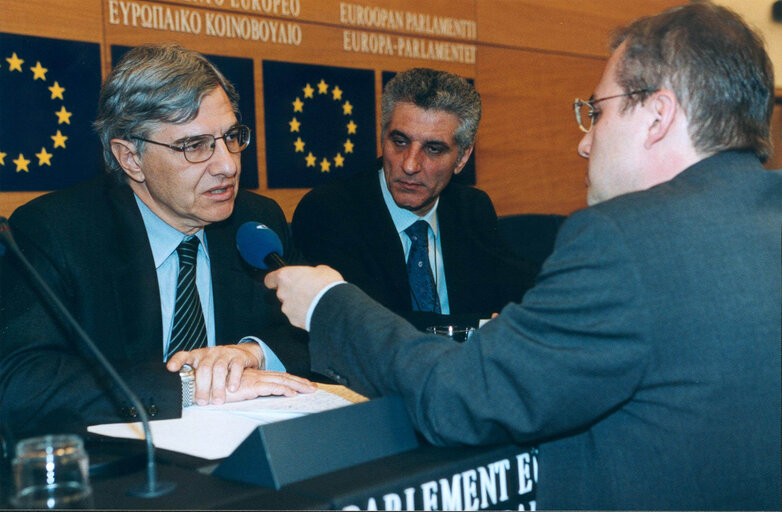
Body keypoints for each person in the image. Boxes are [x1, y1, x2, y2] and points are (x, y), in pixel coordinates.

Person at [265, 3, 781, 509]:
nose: (584, 143)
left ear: (657, 116)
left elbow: (462, 400)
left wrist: (329, 303)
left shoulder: (621, 242)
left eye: (596, 112)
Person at [0, 43, 315, 439]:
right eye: (195, 146)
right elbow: (21, 382)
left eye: (231, 136)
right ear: (131, 158)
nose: (228, 164)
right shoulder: (57, 232)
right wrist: (187, 388)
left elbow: (316, 333)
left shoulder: (256, 221)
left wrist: (252, 353)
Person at [291, 68, 538, 330]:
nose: (409, 165)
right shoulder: (330, 211)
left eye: (433, 149)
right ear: (382, 136)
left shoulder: (471, 209)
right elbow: (366, 323)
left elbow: (520, 290)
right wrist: (482, 327)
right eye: (399, 142)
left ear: (462, 158)